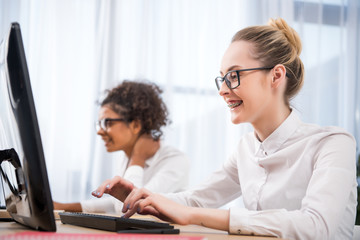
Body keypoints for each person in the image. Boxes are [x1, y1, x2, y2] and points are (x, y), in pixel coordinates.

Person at [91, 18, 357, 239]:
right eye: (222, 77)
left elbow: (316, 227)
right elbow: (197, 200)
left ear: (276, 76)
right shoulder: (246, 148)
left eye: (234, 75)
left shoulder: (333, 144)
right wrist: (144, 198)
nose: (222, 90)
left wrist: (196, 216)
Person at [54, 80, 189, 214]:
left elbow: (133, 208)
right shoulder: (125, 157)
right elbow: (115, 203)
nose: (99, 131)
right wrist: (62, 206)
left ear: (135, 125)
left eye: (107, 122)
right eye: (99, 123)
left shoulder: (174, 160)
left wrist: (137, 159)